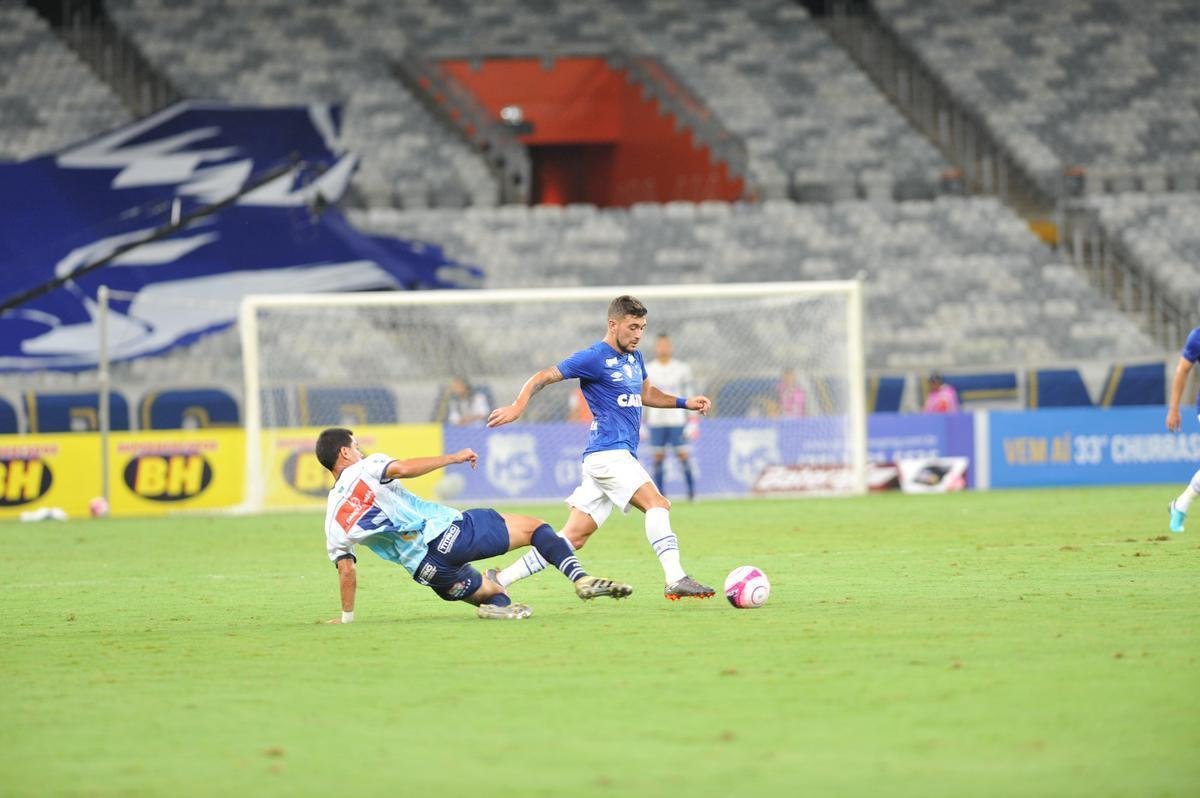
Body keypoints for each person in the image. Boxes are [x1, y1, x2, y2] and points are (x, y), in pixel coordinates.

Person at [487, 295, 716, 600]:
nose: (638, 334)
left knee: (573, 537)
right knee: (657, 504)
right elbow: (544, 375)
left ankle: (501, 579)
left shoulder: (635, 358)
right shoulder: (594, 357)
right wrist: (518, 406)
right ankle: (675, 577)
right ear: (613, 324)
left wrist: (684, 403)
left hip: (606, 457)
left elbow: (646, 393)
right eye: (632, 327)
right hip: (610, 454)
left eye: (642, 328)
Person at [315, 427, 632, 622]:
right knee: (537, 528)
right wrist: (452, 458)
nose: (360, 450)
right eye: (356, 446)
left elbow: (347, 570)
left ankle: (495, 603)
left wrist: (347, 618)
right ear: (345, 452)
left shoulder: (332, 520)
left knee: (495, 593)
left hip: (427, 570)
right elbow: (403, 468)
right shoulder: (367, 467)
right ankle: (580, 578)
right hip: (447, 533)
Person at [644, 334, 697, 500]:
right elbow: (643, 396)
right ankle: (661, 495)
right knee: (658, 457)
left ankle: (691, 494)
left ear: (671, 347)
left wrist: (693, 421)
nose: (663, 348)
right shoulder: (648, 369)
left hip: (677, 419)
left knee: (683, 455)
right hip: (656, 420)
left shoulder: (682, 369)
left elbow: (689, 394)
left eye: (666, 345)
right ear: (655, 348)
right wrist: (642, 423)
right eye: (660, 345)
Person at [1166, 327, 1200, 532]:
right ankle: (1181, 505)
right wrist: (1173, 409)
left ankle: (1181, 505)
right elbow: (1182, 370)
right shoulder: (1197, 336)